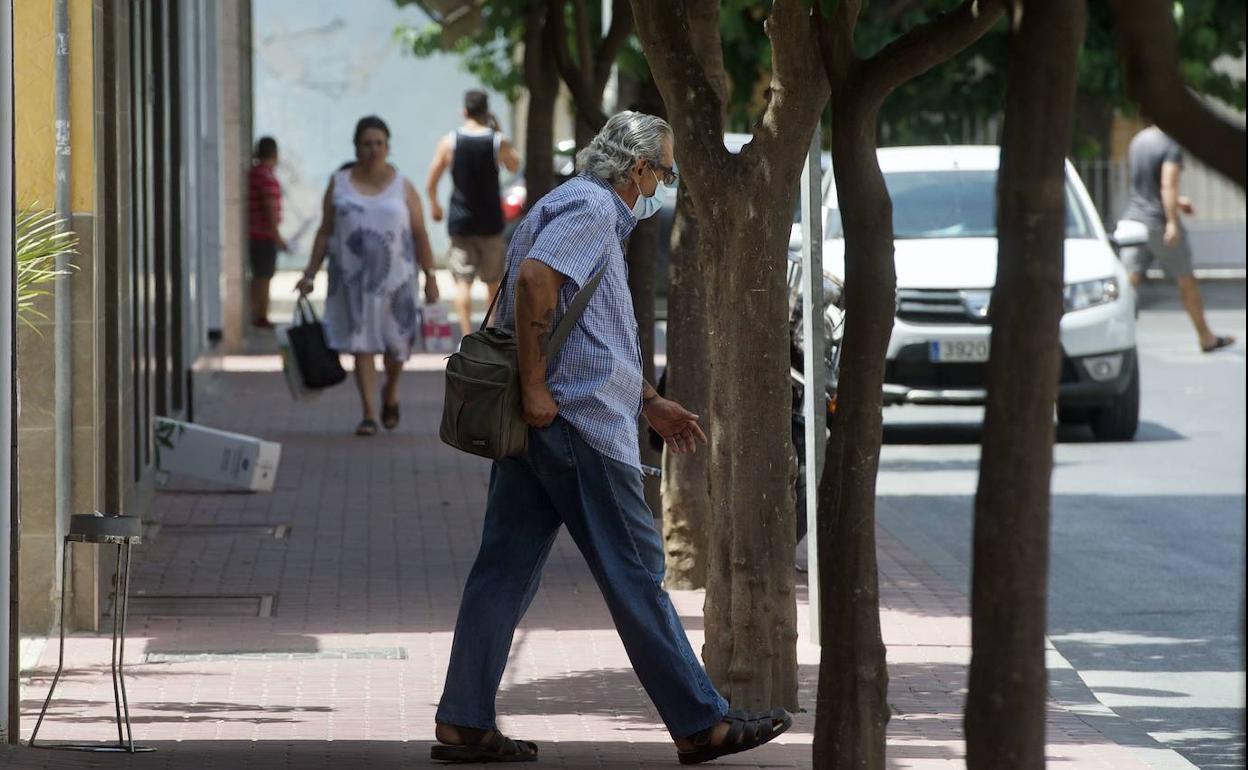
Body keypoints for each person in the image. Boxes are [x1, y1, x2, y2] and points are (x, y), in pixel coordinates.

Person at [432, 112, 792, 765]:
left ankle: (463, 719)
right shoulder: (593, 209)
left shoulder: (567, 203)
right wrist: (539, 387)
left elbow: (593, 327)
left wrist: (649, 401)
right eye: (665, 172)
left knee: (503, 572)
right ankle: (701, 722)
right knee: (636, 575)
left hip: (550, 423)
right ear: (638, 170)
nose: (664, 184)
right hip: (578, 426)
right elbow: (538, 281)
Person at [296, 116, 440, 436]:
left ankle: (390, 391)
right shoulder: (339, 182)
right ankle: (369, 413)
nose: (373, 149)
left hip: (398, 284)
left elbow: (419, 233)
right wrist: (309, 273)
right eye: (366, 143)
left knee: (397, 347)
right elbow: (324, 231)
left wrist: (430, 276)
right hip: (352, 283)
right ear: (356, 147)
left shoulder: (403, 184)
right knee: (361, 344)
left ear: (388, 148)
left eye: (379, 143)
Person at [1118, 124, 1235, 353]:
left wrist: (1178, 202)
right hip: (1157, 222)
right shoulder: (1170, 144)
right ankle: (1206, 337)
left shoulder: (1138, 140)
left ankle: (1115, 336)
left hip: (1133, 220)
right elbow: (1167, 184)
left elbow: (1144, 187)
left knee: (1128, 283)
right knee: (1186, 279)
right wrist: (1172, 221)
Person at [425, 89, 521, 339]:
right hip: (491, 222)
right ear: (486, 111)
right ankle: (490, 337)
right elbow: (514, 165)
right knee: (493, 283)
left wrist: (434, 205)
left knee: (462, 283)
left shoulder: (450, 142)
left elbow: (431, 179)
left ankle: (467, 338)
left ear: (464, 111)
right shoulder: (497, 141)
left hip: (461, 222)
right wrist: (499, 131)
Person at [248, 136, 287, 328]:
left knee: (259, 276)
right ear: (274, 153)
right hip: (263, 236)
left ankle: (256, 313)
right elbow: (269, 209)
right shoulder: (266, 177)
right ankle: (260, 316)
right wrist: (277, 236)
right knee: (264, 277)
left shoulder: (255, 173)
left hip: (256, 234)